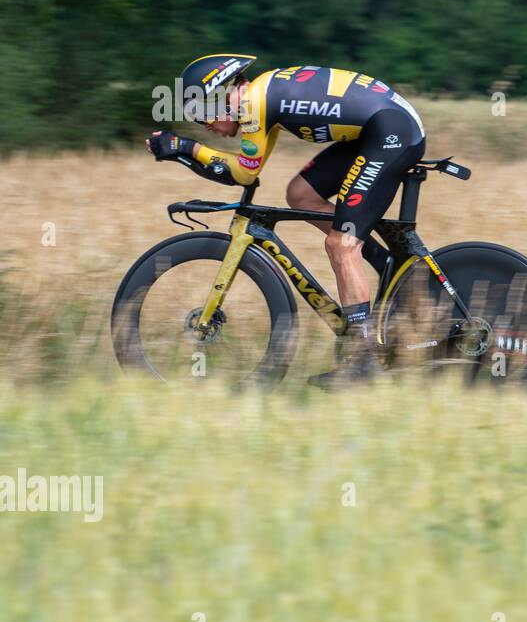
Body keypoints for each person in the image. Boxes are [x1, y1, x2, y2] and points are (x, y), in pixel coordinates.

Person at [147, 54, 427, 387]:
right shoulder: (261, 96)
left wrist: (186, 148)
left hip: (391, 132)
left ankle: (364, 360)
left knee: (340, 244)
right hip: (379, 128)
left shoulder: (253, 103)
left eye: (201, 115)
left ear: (219, 99)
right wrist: (187, 149)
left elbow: (242, 173)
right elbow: (249, 172)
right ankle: (383, 263)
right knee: (300, 195)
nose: (206, 127)